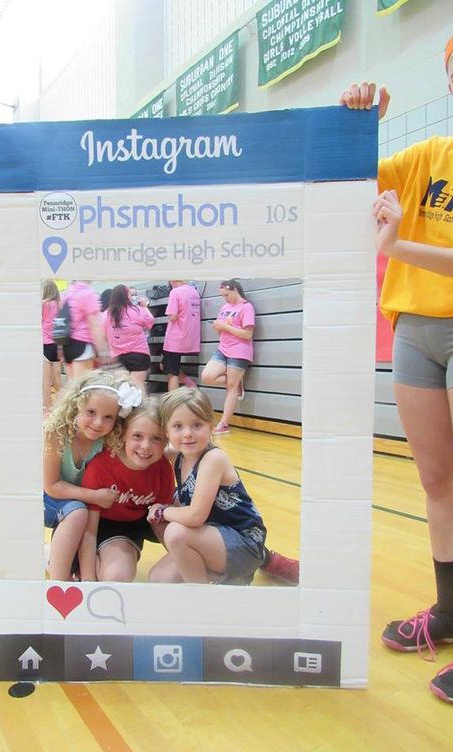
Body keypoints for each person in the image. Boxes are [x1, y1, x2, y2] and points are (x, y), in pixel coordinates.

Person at [340, 37, 453, 704]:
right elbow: (348, 181)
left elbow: (392, 236)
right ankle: (449, 610)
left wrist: (396, 241)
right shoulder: (427, 158)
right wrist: (361, 121)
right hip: (415, 329)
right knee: (438, 479)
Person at [148, 387, 299, 585]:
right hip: (214, 538)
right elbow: (146, 446)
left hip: (244, 543)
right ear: (166, 431)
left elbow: (195, 516)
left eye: (196, 425)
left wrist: (162, 511)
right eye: (178, 426)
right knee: (158, 579)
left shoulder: (213, 459)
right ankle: (222, 575)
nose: (187, 434)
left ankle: (205, 595)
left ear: (211, 425)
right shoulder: (178, 455)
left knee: (174, 529)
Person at [43, 370, 141, 581]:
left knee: (83, 513)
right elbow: (51, 486)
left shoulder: (107, 440)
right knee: (78, 511)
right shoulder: (56, 433)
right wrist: (94, 496)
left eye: (108, 417)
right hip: (50, 499)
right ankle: (58, 583)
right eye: (91, 412)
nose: (98, 423)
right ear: (76, 405)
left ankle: (62, 561)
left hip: (82, 503)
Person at [79, 398, 174, 581]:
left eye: (156, 438)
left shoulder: (162, 467)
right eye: (137, 436)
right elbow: (89, 530)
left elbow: (160, 521)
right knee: (114, 576)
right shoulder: (101, 467)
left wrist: (181, 555)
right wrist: (88, 580)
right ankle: (58, 556)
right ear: (123, 434)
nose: (146, 446)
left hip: (134, 525)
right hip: (101, 526)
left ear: (166, 441)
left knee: (180, 519)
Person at [200, 279, 255, 435]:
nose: (225, 299)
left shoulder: (246, 307)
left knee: (230, 388)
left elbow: (248, 334)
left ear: (235, 290)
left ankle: (224, 424)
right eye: (222, 296)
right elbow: (222, 329)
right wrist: (219, 328)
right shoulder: (225, 307)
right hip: (223, 349)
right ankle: (236, 381)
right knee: (207, 376)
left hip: (239, 351)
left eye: (226, 295)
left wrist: (226, 327)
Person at [105, 284, 154, 390]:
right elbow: (150, 322)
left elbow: (104, 333)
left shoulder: (108, 314)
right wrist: (145, 307)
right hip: (138, 353)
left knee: (121, 389)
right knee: (138, 387)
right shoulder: (136, 310)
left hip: (118, 356)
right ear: (127, 296)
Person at [61, 280, 110, 379]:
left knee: (72, 385)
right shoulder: (87, 294)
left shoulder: (68, 293)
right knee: (82, 386)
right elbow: (95, 325)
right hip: (82, 345)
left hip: (67, 344)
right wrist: (104, 352)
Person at [162, 279, 201, 390]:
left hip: (176, 338)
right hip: (191, 337)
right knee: (165, 364)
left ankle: (173, 403)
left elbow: (172, 316)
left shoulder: (175, 292)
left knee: (172, 372)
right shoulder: (194, 292)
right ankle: (190, 384)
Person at [41, 279, 62, 413]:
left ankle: (47, 409)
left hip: (44, 344)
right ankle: (62, 406)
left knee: (46, 382)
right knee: (58, 380)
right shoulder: (60, 305)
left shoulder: (41, 305)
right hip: (58, 344)